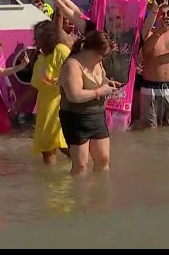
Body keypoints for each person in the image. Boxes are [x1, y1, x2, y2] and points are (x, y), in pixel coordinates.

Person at [59, 31, 120, 175]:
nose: (104, 59)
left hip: (97, 115)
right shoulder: (72, 65)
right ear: (92, 51)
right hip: (75, 118)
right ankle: (78, 196)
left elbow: (102, 79)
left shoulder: (97, 63)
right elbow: (74, 95)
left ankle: (100, 195)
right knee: (81, 165)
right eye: (103, 56)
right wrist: (100, 91)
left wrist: (108, 83)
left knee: (103, 160)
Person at [30, 20, 71, 164]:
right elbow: (35, 87)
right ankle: (49, 181)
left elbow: (74, 72)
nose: (35, 41)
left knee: (64, 144)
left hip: (60, 105)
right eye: (35, 37)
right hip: (45, 108)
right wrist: (19, 104)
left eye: (38, 37)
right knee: (47, 148)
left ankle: (83, 166)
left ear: (48, 37)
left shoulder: (61, 51)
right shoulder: (40, 59)